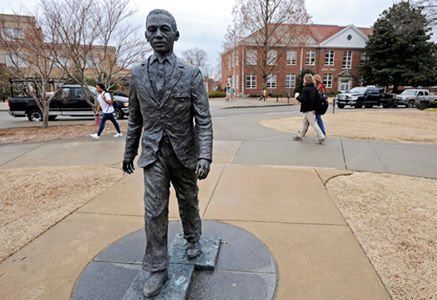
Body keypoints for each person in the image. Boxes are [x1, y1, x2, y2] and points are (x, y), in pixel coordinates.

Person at [122, 9, 213, 297]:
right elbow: (135, 118)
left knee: (188, 199)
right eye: (152, 30)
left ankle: (193, 237)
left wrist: (205, 155)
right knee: (154, 210)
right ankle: (157, 268)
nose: (158, 35)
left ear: (176, 34)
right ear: (146, 35)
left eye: (164, 29)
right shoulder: (136, 74)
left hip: (184, 151)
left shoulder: (191, 74)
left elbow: (204, 119)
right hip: (152, 152)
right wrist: (128, 153)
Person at [294, 74, 325, 144]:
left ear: (305, 80)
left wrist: (297, 97)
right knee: (305, 122)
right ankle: (300, 136)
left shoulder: (305, 89)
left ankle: (321, 136)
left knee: (313, 123)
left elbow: (304, 99)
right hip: (313, 108)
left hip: (307, 109)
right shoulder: (314, 88)